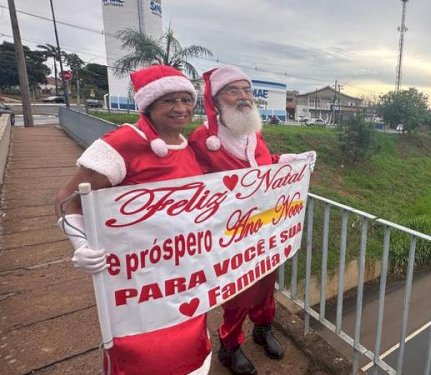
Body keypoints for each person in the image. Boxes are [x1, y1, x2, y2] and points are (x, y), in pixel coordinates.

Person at [54, 65, 211, 375]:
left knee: (191, 348)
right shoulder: (123, 142)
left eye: (185, 99)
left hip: (184, 274)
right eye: (168, 101)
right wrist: (80, 244)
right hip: (137, 281)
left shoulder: (187, 144)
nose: (180, 108)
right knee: (146, 355)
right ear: (148, 105)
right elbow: (66, 201)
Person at [189, 66, 314, 375]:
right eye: (234, 91)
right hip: (229, 234)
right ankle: (229, 345)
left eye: (247, 90)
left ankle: (263, 327)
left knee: (266, 282)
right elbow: (194, 186)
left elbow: (264, 164)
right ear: (216, 100)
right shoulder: (202, 139)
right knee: (237, 292)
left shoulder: (253, 132)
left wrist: (290, 161)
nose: (243, 96)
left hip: (264, 226)